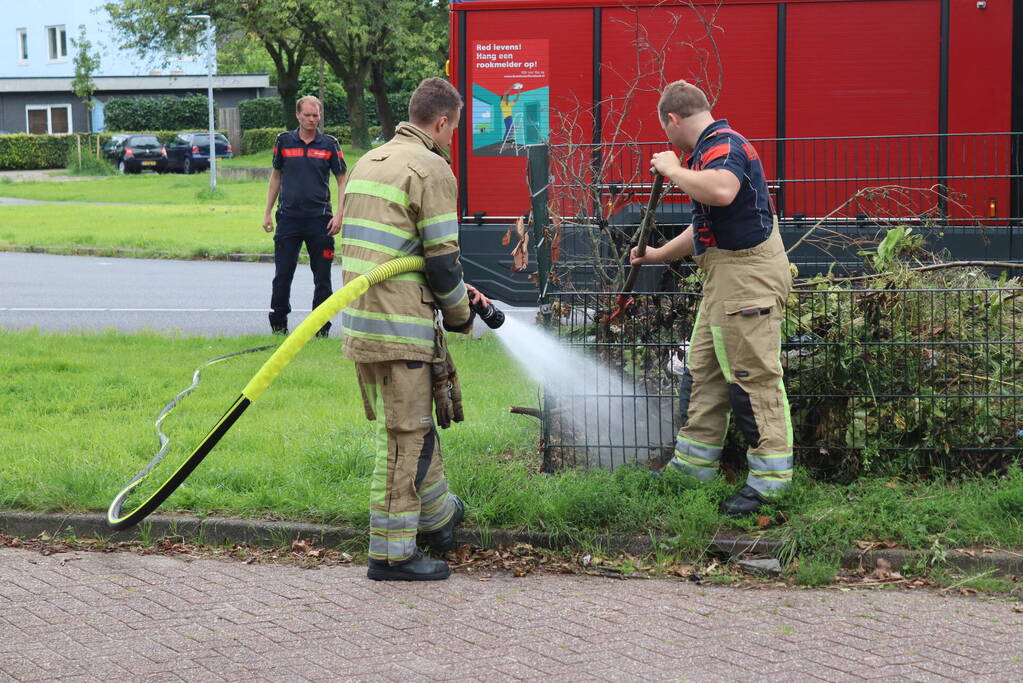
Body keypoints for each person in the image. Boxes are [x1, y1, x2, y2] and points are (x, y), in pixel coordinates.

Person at [340, 77, 488, 581]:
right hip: (401, 324)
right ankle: (391, 554)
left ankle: (439, 518)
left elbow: (401, 252)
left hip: (365, 320)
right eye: (454, 130)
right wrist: (462, 317)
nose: (452, 140)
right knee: (404, 436)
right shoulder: (431, 167)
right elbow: (443, 264)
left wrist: (453, 292)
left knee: (415, 425)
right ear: (442, 122)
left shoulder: (369, 161)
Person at [631, 80, 793, 517]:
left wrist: (671, 169)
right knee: (703, 373)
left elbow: (721, 191)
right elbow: (707, 221)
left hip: (746, 281)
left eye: (666, 131)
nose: (667, 141)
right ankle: (693, 468)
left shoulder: (723, 145)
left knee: (752, 378)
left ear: (673, 119)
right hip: (725, 279)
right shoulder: (707, 152)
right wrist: (657, 255)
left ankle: (769, 486)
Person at [263, 95, 347, 337]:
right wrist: (267, 212)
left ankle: (320, 330)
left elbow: (343, 180)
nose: (312, 120)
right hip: (288, 220)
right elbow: (276, 176)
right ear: (298, 115)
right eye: (308, 115)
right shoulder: (284, 141)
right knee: (282, 276)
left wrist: (340, 214)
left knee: (322, 279)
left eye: (316, 115)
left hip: (321, 222)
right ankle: (278, 327)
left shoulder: (330, 144)